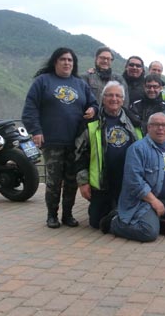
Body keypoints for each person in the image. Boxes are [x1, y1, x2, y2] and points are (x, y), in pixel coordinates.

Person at [22, 47, 98, 228]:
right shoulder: (43, 82)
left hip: (76, 142)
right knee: (54, 181)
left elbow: (93, 103)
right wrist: (36, 131)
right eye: (63, 59)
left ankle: (68, 215)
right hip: (53, 141)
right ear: (55, 62)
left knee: (72, 181)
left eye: (70, 60)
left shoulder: (80, 84)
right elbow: (30, 110)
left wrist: (93, 109)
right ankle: (51, 215)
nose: (66, 63)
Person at [99, 113, 165, 241]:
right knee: (148, 233)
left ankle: (154, 220)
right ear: (149, 127)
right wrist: (154, 201)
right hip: (145, 201)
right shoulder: (138, 149)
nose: (160, 128)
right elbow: (134, 181)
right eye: (156, 125)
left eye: (164, 125)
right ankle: (113, 222)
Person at [75, 81, 142, 229]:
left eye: (118, 96)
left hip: (127, 180)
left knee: (125, 214)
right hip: (101, 182)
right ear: (103, 98)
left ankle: (118, 215)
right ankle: (115, 215)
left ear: (123, 100)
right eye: (110, 95)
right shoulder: (91, 122)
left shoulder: (134, 121)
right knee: (96, 223)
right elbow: (79, 154)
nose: (114, 99)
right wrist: (83, 182)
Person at [130, 74, 165, 138]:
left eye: (155, 87)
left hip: (163, 145)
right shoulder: (135, 105)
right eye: (149, 86)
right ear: (144, 87)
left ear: (161, 88)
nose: (152, 90)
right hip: (139, 145)